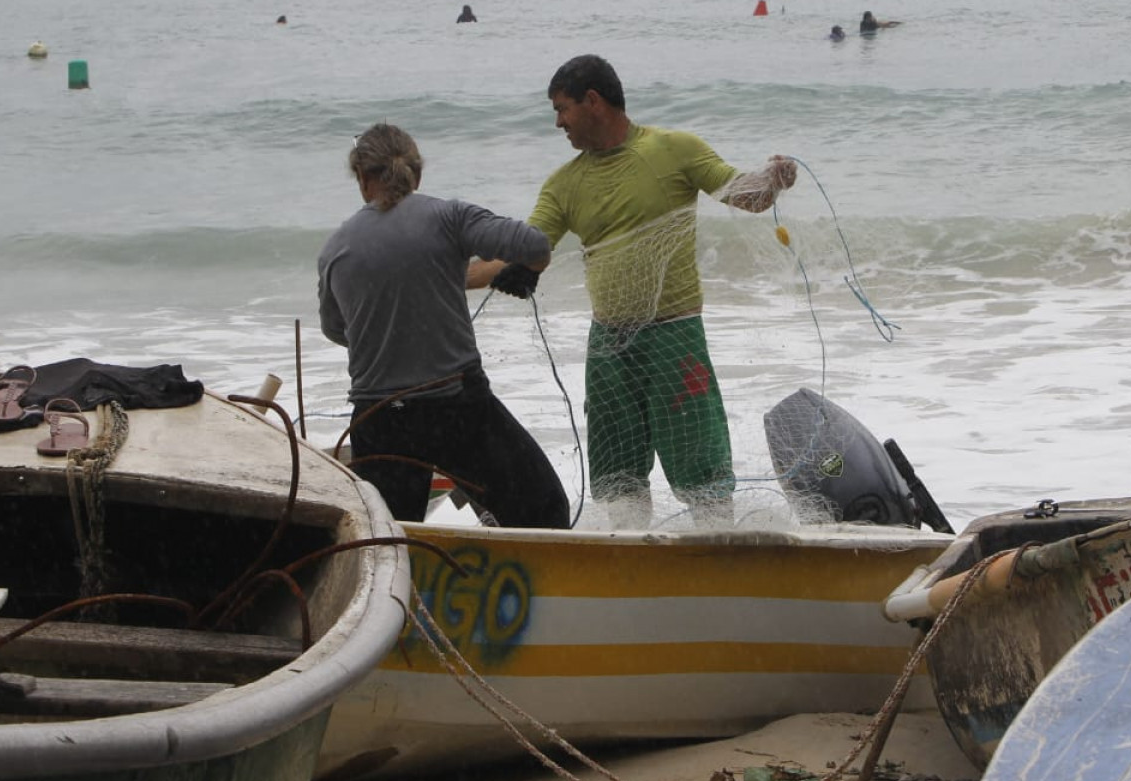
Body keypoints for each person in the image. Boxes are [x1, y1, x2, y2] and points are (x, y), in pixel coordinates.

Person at [473, 55, 796, 528]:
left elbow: (743, 196)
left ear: (593, 101)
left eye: (562, 109)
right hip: (608, 341)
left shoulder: (674, 150)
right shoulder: (564, 184)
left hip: (675, 333)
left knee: (699, 458)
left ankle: (717, 549)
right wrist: (439, 272)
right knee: (617, 472)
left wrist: (774, 180)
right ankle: (628, 548)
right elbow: (524, 252)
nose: (558, 122)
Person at [317, 123, 569, 528]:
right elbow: (535, 245)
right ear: (416, 175)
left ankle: (410, 589)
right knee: (543, 510)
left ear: (363, 180)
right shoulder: (450, 217)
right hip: (456, 410)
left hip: (379, 420)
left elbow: (335, 329)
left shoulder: (335, 248)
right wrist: (521, 270)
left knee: (391, 539)